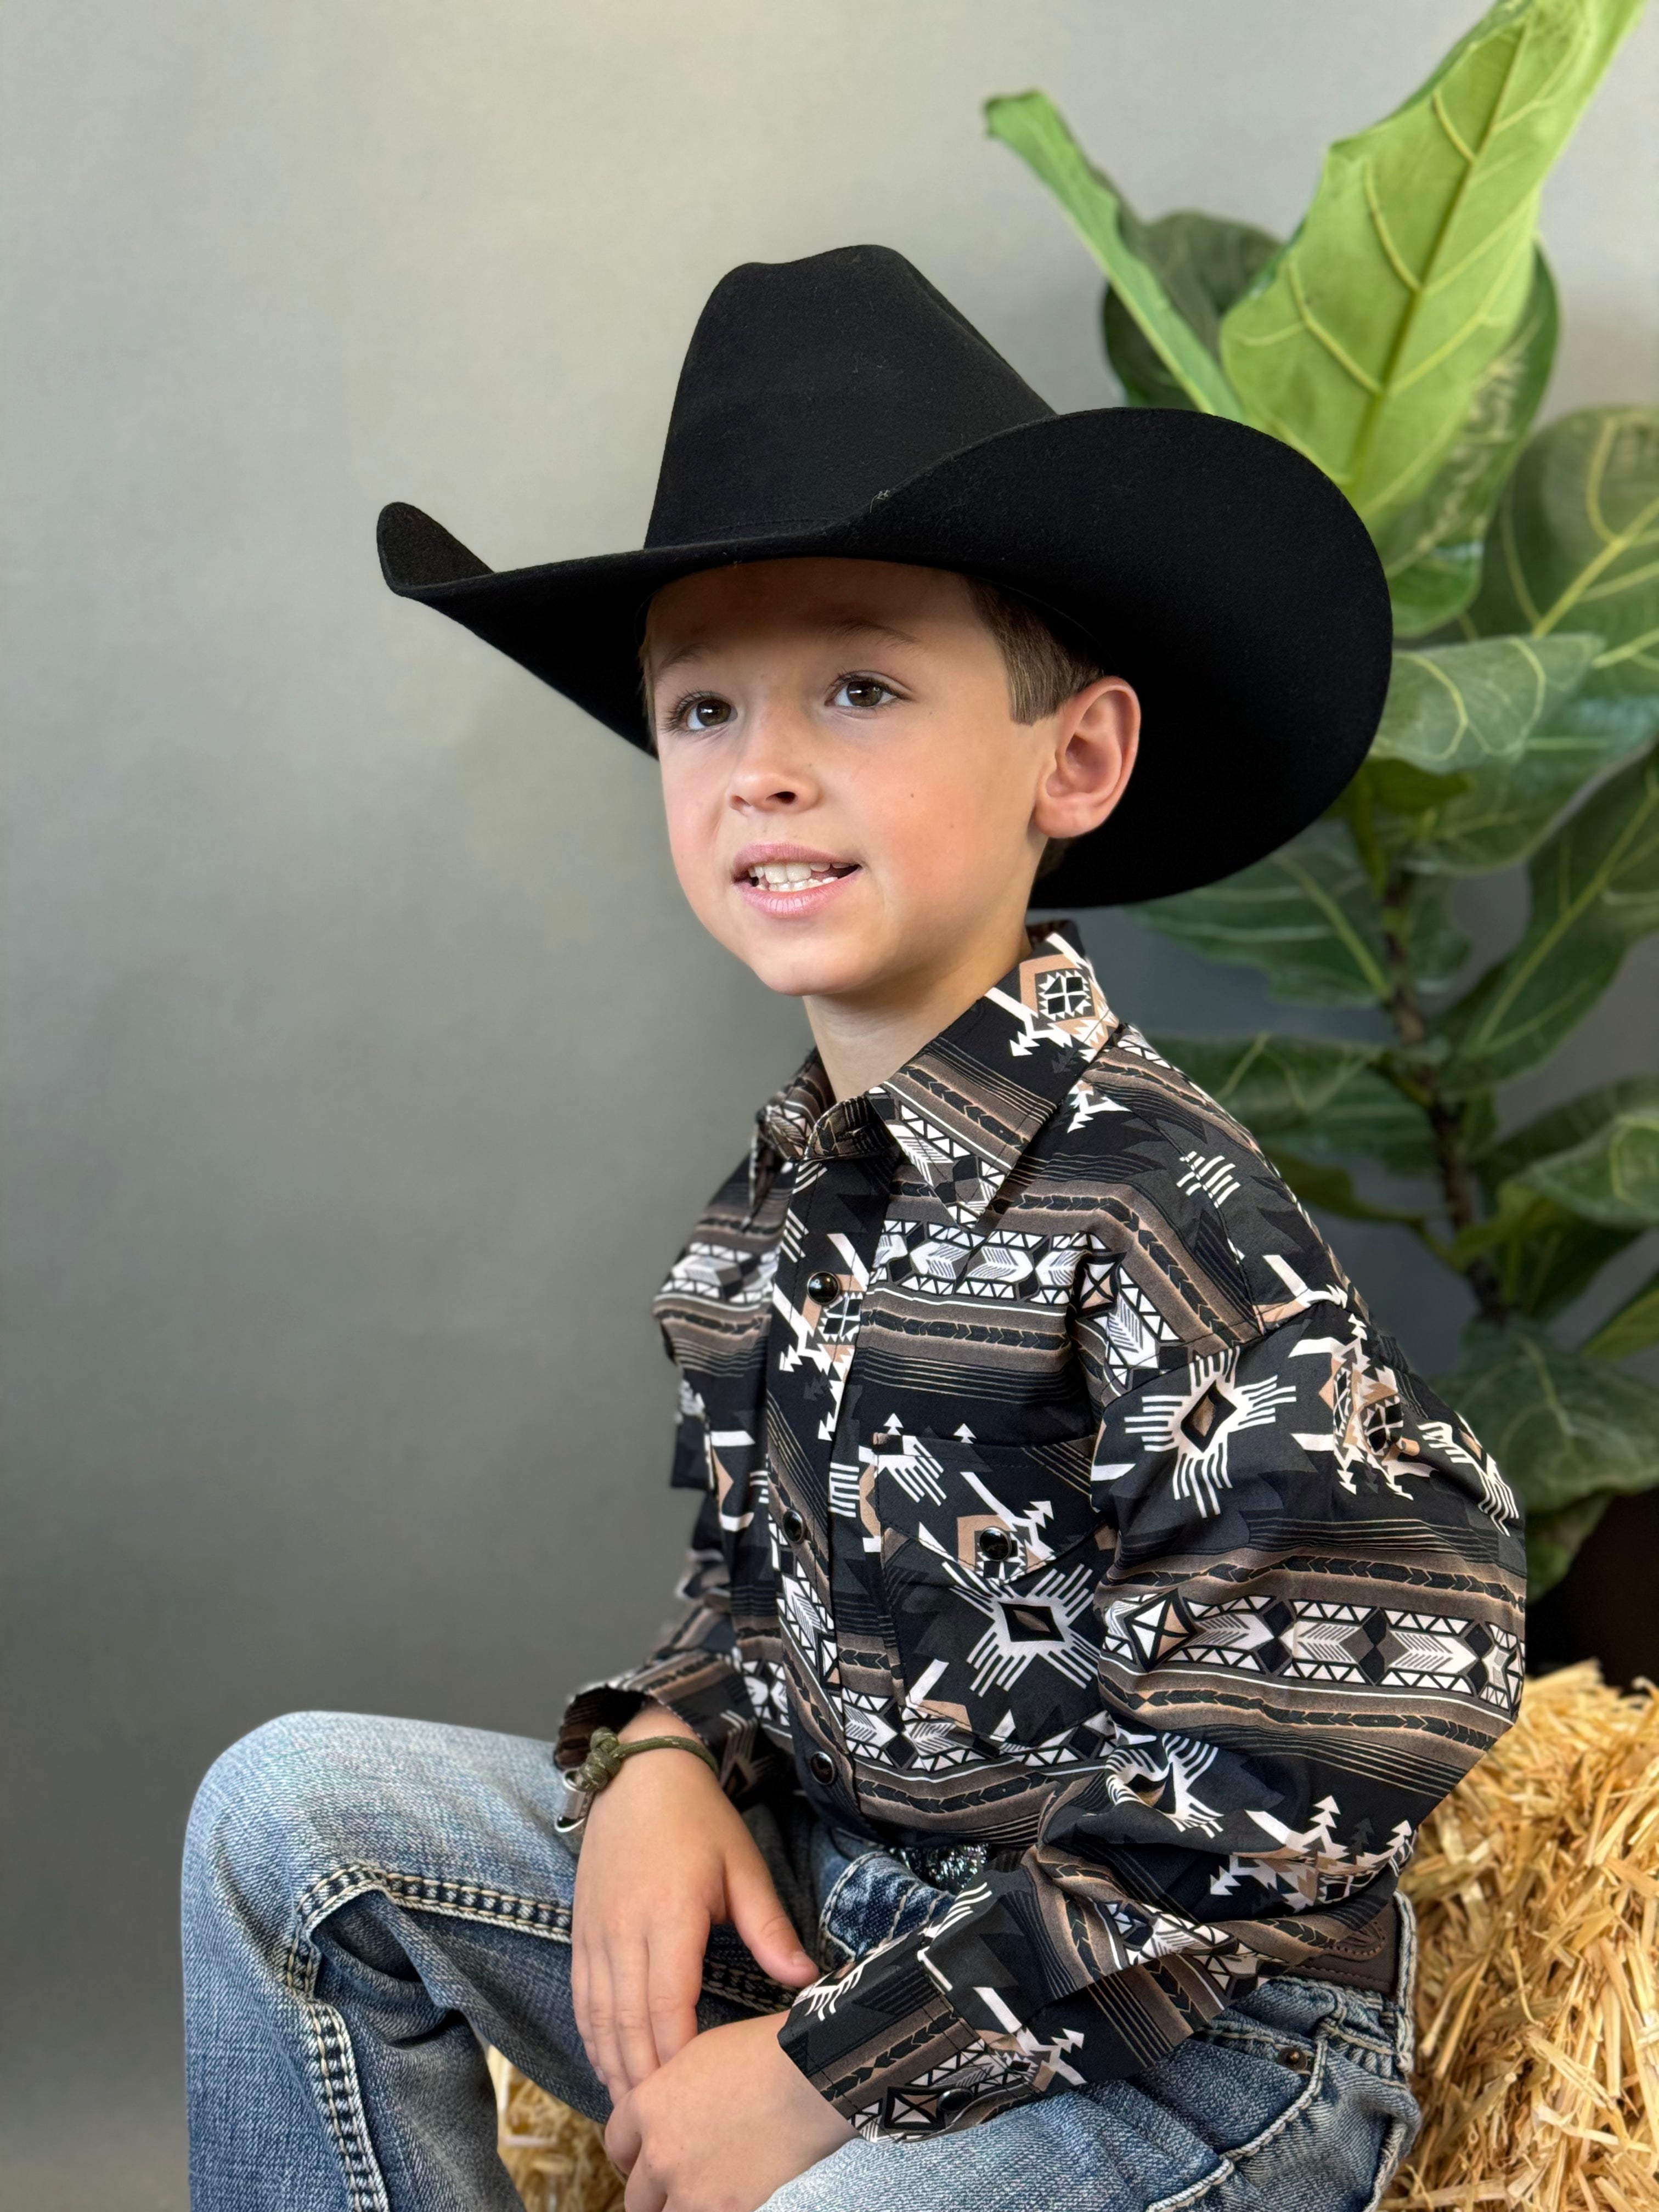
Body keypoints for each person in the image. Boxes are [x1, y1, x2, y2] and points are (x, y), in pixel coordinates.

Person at [183, 246, 1526, 2212]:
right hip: (851, 1917)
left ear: (1074, 759)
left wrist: (826, 2080)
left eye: (863, 687)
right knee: (285, 1816)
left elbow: (1331, 1719)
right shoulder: (762, 1224)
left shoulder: (1164, 1204)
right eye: (704, 706)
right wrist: (656, 1752)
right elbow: (771, 1598)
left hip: (1176, 2038)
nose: (768, 767)